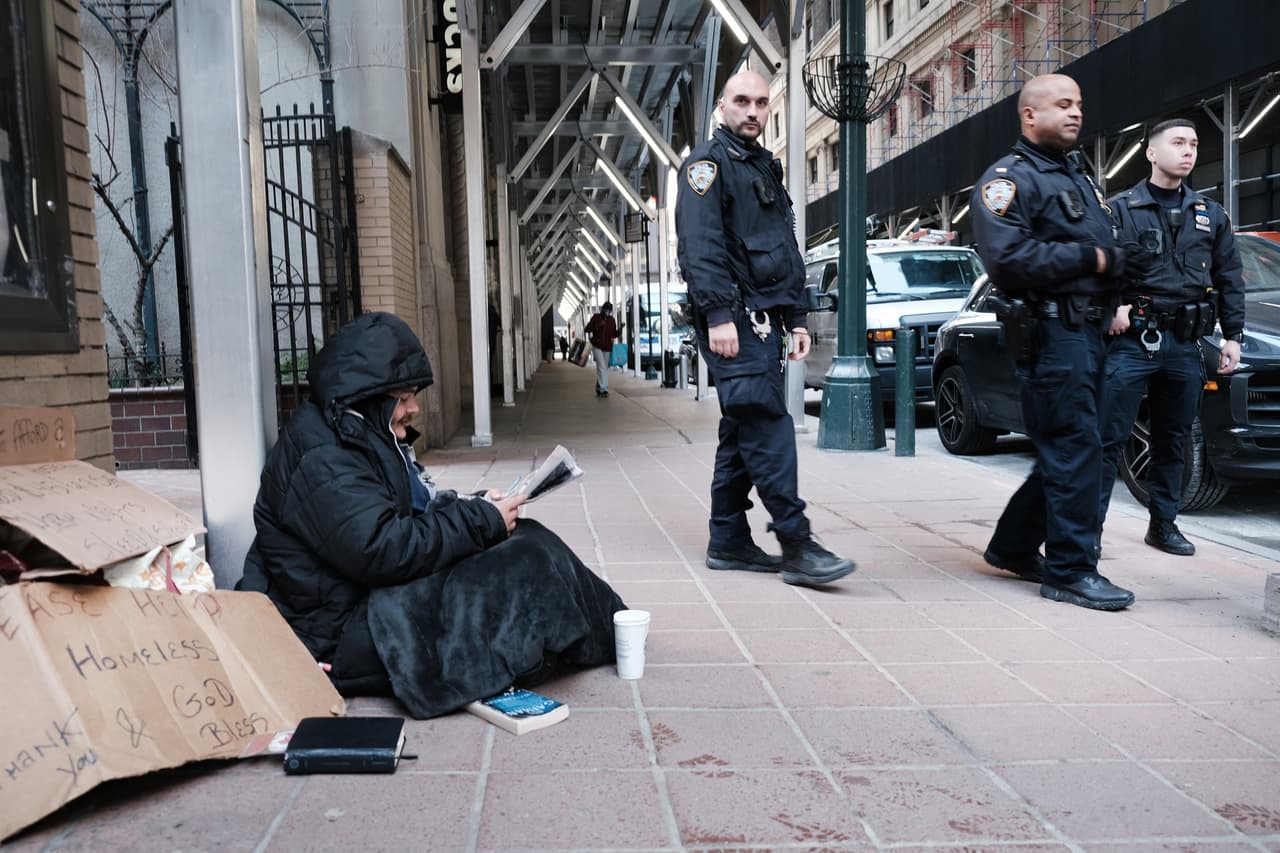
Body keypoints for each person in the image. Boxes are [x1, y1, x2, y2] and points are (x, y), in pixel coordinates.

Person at [238, 311, 626, 718]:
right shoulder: (322, 457)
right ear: (368, 398)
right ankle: (590, 639)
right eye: (403, 399)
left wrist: (477, 506)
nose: (415, 409)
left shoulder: (353, 433)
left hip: (365, 597)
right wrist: (479, 520)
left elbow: (404, 512)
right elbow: (383, 548)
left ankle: (611, 626)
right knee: (517, 565)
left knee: (526, 537)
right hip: (338, 629)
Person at [971, 73, 1147, 611]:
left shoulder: (1076, 176)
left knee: (1065, 450)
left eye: (1079, 104)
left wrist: (1120, 280)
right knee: (1075, 448)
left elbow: (1106, 245)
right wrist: (1093, 260)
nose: (1075, 113)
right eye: (1062, 105)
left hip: (1087, 332)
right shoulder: (1006, 180)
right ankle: (1070, 571)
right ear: (1029, 115)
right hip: (1050, 332)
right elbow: (1007, 260)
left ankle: (1013, 547)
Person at [674, 70, 855, 589]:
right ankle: (796, 542)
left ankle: (728, 540)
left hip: (764, 320)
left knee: (742, 428)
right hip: (737, 319)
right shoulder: (707, 166)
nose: (752, 110)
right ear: (721, 107)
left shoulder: (761, 166)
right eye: (741, 101)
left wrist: (796, 316)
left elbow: (784, 249)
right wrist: (718, 315)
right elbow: (699, 247)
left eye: (760, 102)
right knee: (766, 423)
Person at [1098, 119, 1245, 556]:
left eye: (1194, 144)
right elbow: (1096, 267)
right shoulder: (1119, 209)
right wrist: (1111, 309)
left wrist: (1232, 335)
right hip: (1130, 340)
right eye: (1178, 143)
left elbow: (1229, 277)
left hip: (1184, 343)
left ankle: (1163, 525)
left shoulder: (1210, 214)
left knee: (1174, 439)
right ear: (1151, 152)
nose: (1188, 151)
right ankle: (1087, 533)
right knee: (1108, 439)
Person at [585, 302, 619, 397]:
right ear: (602, 309)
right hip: (596, 345)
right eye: (606, 309)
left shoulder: (612, 320)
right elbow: (587, 329)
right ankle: (604, 389)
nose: (607, 312)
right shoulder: (596, 317)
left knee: (604, 368)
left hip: (607, 347)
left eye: (609, 310)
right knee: (601, 367)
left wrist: (619, 331)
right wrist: (598, 326)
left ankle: (599, 387)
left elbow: (614, 334)